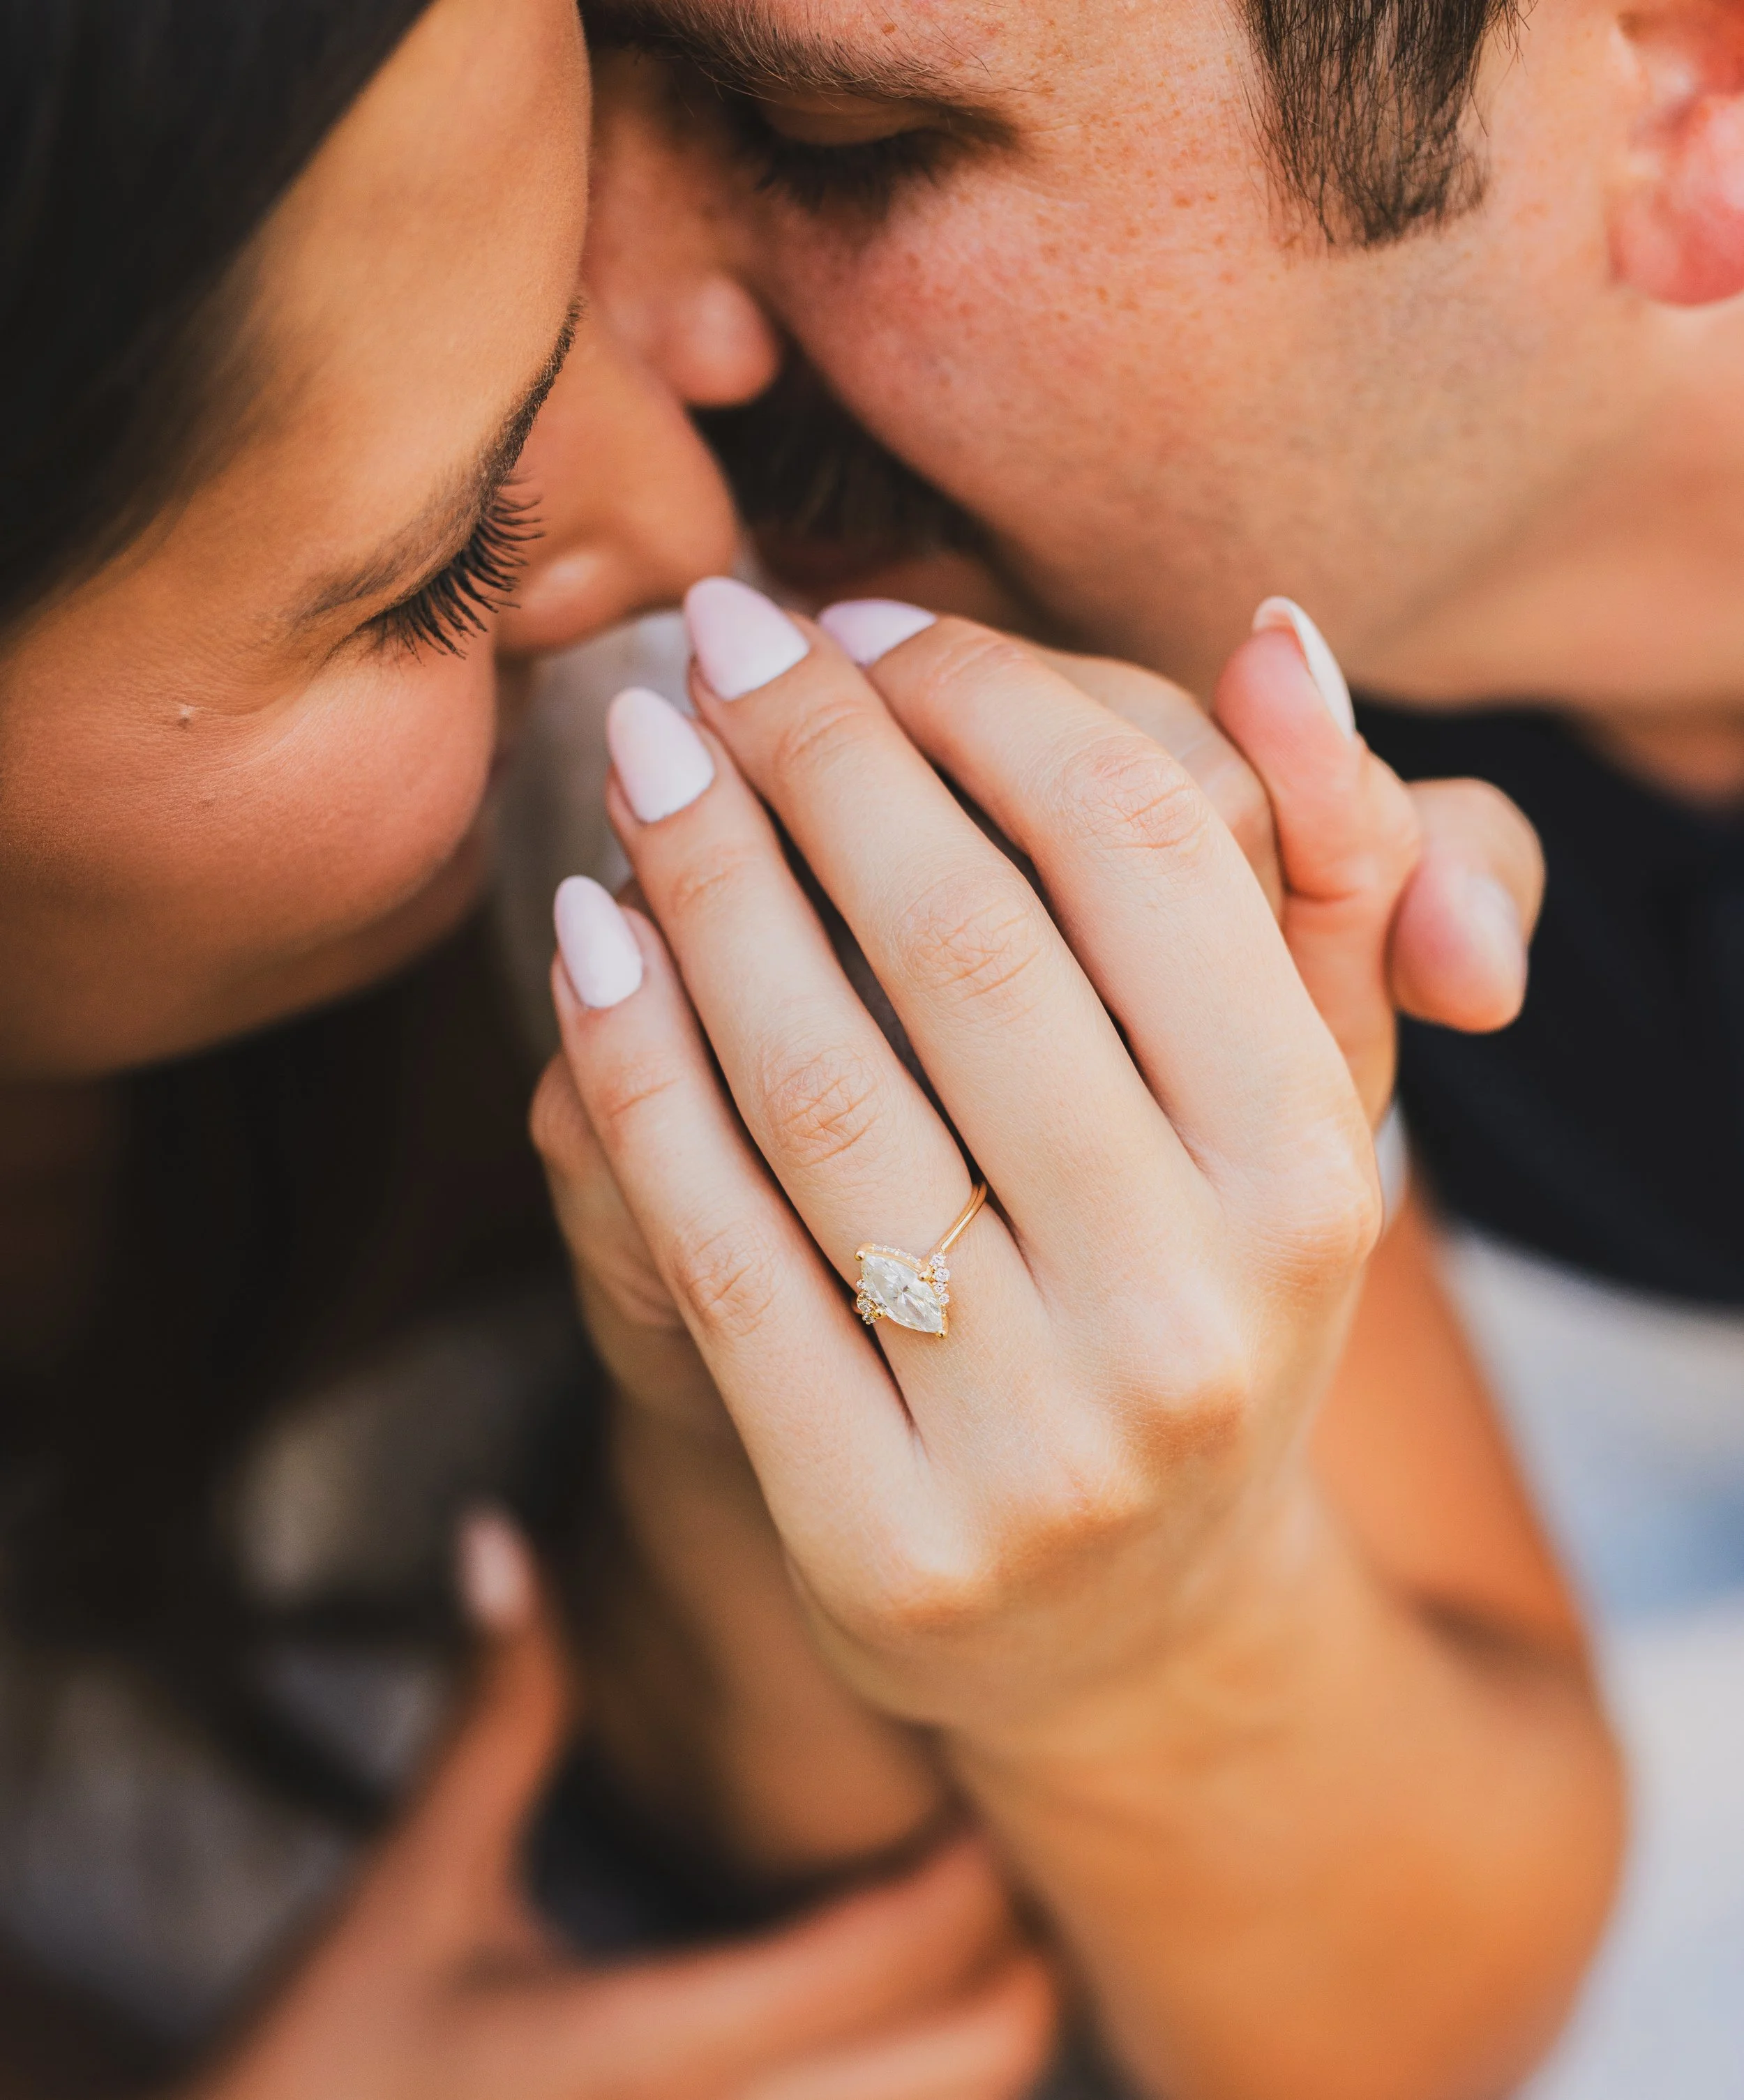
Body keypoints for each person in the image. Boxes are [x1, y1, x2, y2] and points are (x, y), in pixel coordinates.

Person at [0, 1, 1528, 2095]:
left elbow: (1458, 1980)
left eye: (565, 267)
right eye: (439, 568)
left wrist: (1107, 1614)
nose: (686, 518)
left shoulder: (667, 765)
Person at [511, 1, 1744, 2093]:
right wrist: (1132, 1649)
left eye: (828, 130)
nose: (604, 307)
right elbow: (1405, 2001)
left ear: (1687, 107)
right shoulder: (958, 640)